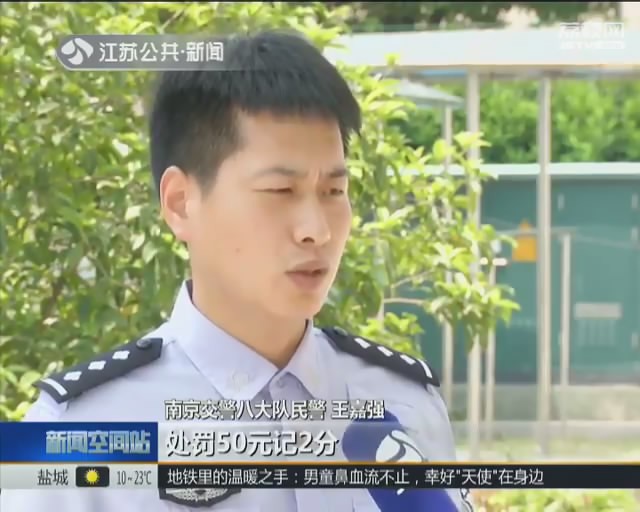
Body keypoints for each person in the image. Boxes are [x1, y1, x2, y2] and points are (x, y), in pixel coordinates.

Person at [1, 30, 472, 511]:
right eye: (280, 192)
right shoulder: (80, 433)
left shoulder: (405, 403)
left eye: (333, 191)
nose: (317, 231)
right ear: (180, 203)